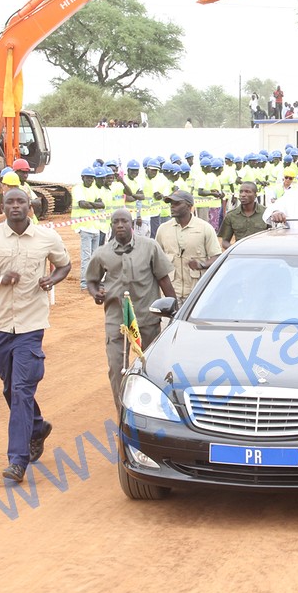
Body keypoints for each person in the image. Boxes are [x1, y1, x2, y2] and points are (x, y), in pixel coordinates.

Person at [0, 188, 72, 482]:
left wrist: (53, 279)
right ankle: (36, 427)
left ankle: (17, 460)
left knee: (22, 389)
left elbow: (65, 264)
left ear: (30, 206)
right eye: (9, 202)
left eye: (20, 202)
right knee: (11, 389)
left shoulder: (47, 237)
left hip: (31, 326)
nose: (14, 206)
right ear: (3, 206)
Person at [85, 209, 176, 413]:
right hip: (116, 320)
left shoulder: (150, 247)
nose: (120, 225)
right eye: (115, 222)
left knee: (149, 368)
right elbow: (91, 280)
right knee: (117, 368)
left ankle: (151, 411)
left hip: (147, 318)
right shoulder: (102, 253)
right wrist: (95, 293)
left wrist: (173, 310)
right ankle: (123, 413)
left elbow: (164, 279)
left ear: (132, 224)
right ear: (111, 226)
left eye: (124, 221)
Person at [154, 190, 222, 304]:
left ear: (189, 206)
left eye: (177, 204)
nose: (172, 207)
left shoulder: (205, 228)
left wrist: (202, 265)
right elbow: (156, 259)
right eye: (171, 204)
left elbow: (217, 256)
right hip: (171, 293)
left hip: (197, 292)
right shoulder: (163, 229)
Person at [72, 167, 104, 289]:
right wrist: (94, 204)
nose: (90, 180)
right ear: (82, 178)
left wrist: (91, 204)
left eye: (92, 178)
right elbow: (82, 204)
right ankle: (85, 283)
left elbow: (101, 204)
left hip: (95, 227)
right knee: (86, 257)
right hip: (84, 227)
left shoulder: (95, 189)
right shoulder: (78, 189)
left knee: (95, 257)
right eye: (88, 178)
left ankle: (94, 281)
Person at [218, 181, 268, 249]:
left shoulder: (266, 213)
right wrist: (237, 250)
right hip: (240, 255)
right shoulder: (231, 215)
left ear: (255, 195)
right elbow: (225, 242)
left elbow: (273, 237)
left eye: (247, 192)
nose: (243, 194)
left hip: (262, 253)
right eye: (241, 192)